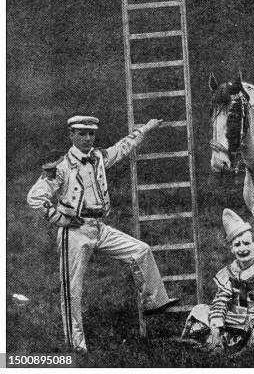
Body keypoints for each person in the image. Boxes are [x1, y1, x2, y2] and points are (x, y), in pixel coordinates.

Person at [27, 115, 179, 353]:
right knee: (73, 289)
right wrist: (61, 219)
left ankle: (153, 301)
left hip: (99, 226)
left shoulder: (98, 157)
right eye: (82, 134)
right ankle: (76, 348)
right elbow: (35, 198)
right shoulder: (61, 166)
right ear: (71, 135)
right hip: (74, 232)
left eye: (91, 134)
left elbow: (123, 147)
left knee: (141, 250)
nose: (88, 138)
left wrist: (147, 129)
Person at [181, 209, 254, 354]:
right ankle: (218, 340)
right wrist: (216, 326)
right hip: (233, 320)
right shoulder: (229, 272)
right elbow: (220, 301)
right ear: (231, 249)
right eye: (237, 245)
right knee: (200, 310)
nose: (242, 249)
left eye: (246, 243)